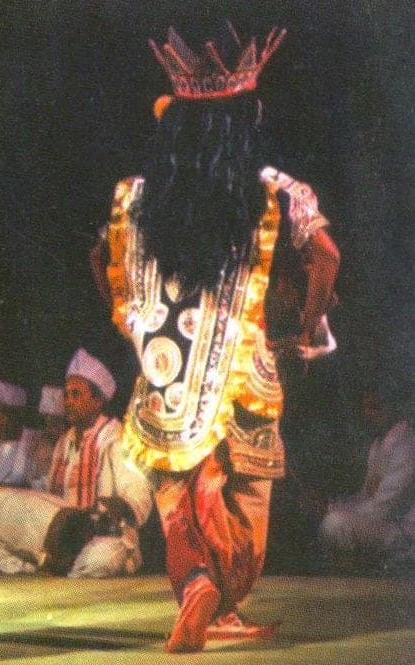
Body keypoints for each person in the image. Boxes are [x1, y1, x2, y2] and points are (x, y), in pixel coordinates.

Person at [96, 26, 340, 652]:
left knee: (176, 484)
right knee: (245, 493)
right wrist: (307, 327)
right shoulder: (279, 192)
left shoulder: (138, 196)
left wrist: (130, 322)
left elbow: (102, 259)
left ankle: (197, 581)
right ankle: (225, 601)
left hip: (166, 371)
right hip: (244, 370)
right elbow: (326, 258)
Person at [0, 350, 152, 577]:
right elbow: (49, 494)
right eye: (67, 395)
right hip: (56, 529)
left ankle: (54, 560)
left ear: (98, 401)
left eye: (76, 394)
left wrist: (121, 506)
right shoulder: (65, 441)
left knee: (102, 557)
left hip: (100, 533)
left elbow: (137, 491)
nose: (68, 401)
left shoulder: (116, 439)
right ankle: (57, 556)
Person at [319, 383, 414, 573]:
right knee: (332, 520)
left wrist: (330, 511)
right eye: (367, 408)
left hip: (405, 532)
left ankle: (353, 575)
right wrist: (328, 506)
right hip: (385, 525)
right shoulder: (378, 445)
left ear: (393, 408)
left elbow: (384, 507)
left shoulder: (407, 444)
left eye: (376, 407)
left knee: (334, 524)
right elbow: (366, 497)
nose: (369, 414)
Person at [31, 384, 66, 486]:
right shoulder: (36, 442)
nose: (52, 428)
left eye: (57, 423)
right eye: (48, 423)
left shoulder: (68, 445)